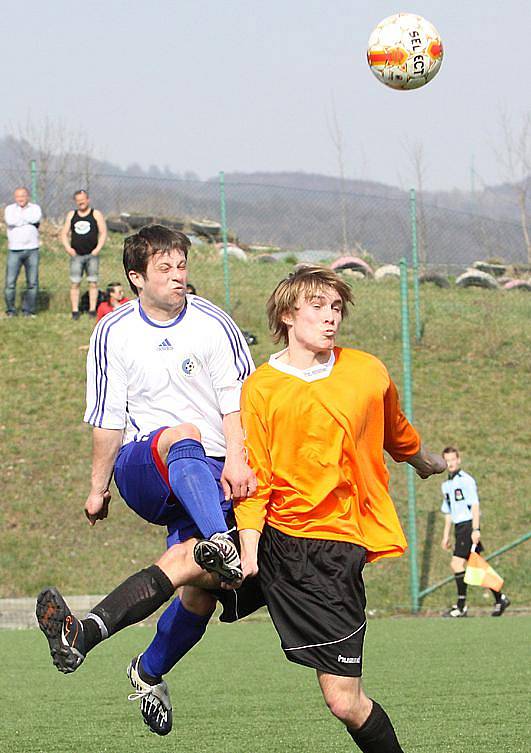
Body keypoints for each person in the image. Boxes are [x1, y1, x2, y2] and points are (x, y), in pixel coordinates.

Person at [36, 224, 256, 733]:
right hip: (145, 467)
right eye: (165, 268)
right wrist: (97, 489)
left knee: (196, 585)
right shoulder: (113, 331)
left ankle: (121, 656)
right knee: (181, 434)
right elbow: (108, 420)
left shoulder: (214, 324)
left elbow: (238, 405)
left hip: (211, 474)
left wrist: (239, 460)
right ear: (136, 277)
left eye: (182, 266)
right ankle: (220, 541)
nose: (178, 276)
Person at [232, 265, 447, 753]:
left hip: (335, 547)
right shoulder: (261, 387)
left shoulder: (366, 370)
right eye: (318, 307)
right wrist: (248, 546)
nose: (331, 318)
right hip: (277, 538)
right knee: (191, 565)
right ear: (288, 314)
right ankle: (106, 638)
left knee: (345, 701)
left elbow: (396, 430)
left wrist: (420, 459)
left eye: (336, 308)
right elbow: (257, 475)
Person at [440, 446, 510, 618]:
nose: (450, 463)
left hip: (468, 526)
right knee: (477, 565)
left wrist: (476, 529)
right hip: (458, 528)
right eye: (447, 460)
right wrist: (445, 535)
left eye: (453, 459)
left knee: (456, 564)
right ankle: (500, 598)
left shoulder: (466, 480)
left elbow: (475, 505)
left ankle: (461, 606)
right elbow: (448, 512)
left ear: (459, 460)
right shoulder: (446, 485)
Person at [61, 190, 107, 319]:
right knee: (75, 283)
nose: (81, 202)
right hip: (76, 255)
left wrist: (98, 249)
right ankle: (75, 311)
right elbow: (64, 233)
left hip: (92, 254)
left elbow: (103, 232)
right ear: (76, 201)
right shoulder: (72, 215)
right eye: (78, 200)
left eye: (83, 199)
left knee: (93, 282)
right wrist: (68, 248)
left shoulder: (96, 214)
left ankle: (92, 310)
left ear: (88, 199)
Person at [3, 187, 42, 317]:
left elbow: (35, 218)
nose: (21, 199)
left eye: (23, 196)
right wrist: (26, 220)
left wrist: (20, 220)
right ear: (15, 197)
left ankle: (28, 311)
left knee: (32, 283)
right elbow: (10, 221)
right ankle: (10, 310)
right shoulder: (9, 209)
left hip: (32, 249)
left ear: (28, 196)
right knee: (10, 283)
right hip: (14, 250)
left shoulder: (35, 208)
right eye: (18, 196)